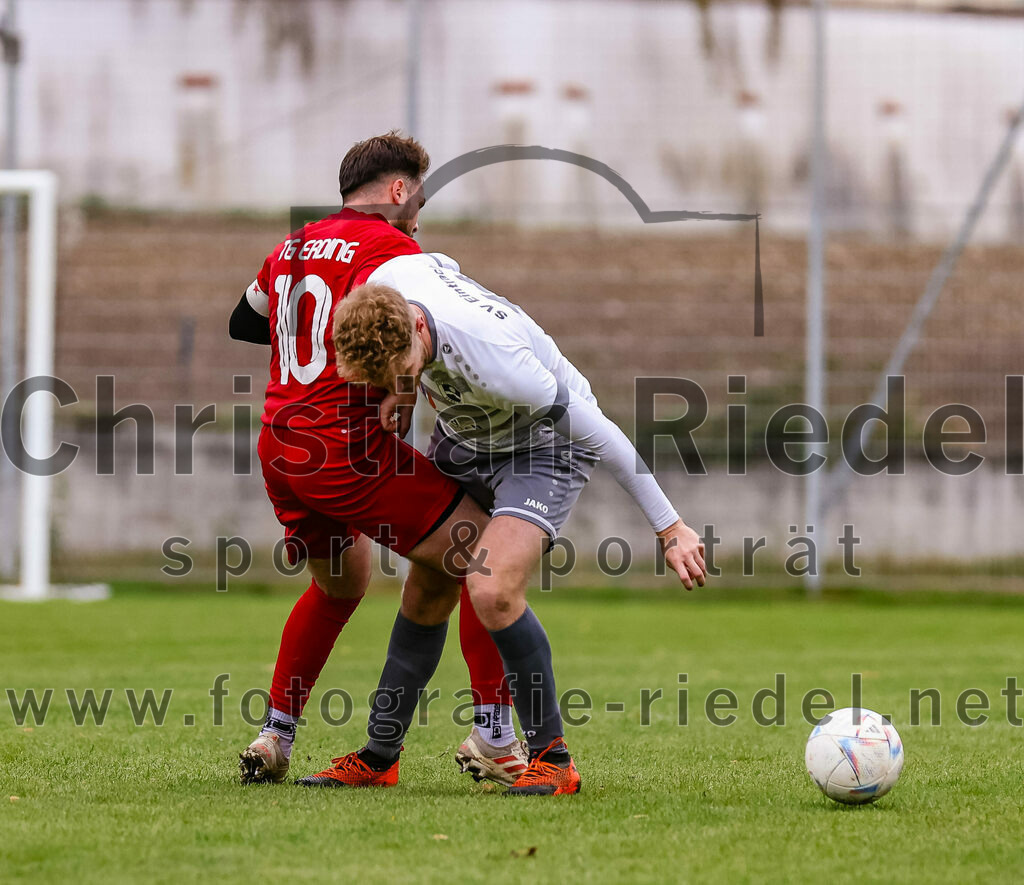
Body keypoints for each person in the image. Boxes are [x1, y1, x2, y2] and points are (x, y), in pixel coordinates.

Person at [318, 252, 708, 795]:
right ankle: (380, 756)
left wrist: (670, 527)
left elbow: (601, 434)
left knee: (493, 588)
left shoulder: (503, 364)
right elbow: (441, 261)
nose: (399, 381)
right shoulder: (384, 288)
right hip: (464, 438)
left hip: (543, 449)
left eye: (403, 371)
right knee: (425, 590)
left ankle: (554, 761)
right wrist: (401, 389)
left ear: (420, 324)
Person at [229, 132, 526, 787]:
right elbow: (417, 324)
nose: (419, 211)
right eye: (418, 196)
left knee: (342, 583)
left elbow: (242, 322)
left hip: (281, 444)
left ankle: (275, 733)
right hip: (345, 446)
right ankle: (498, 737)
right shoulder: (393, 246)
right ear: (398, 191)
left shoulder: (294, 244)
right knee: (484, 547)